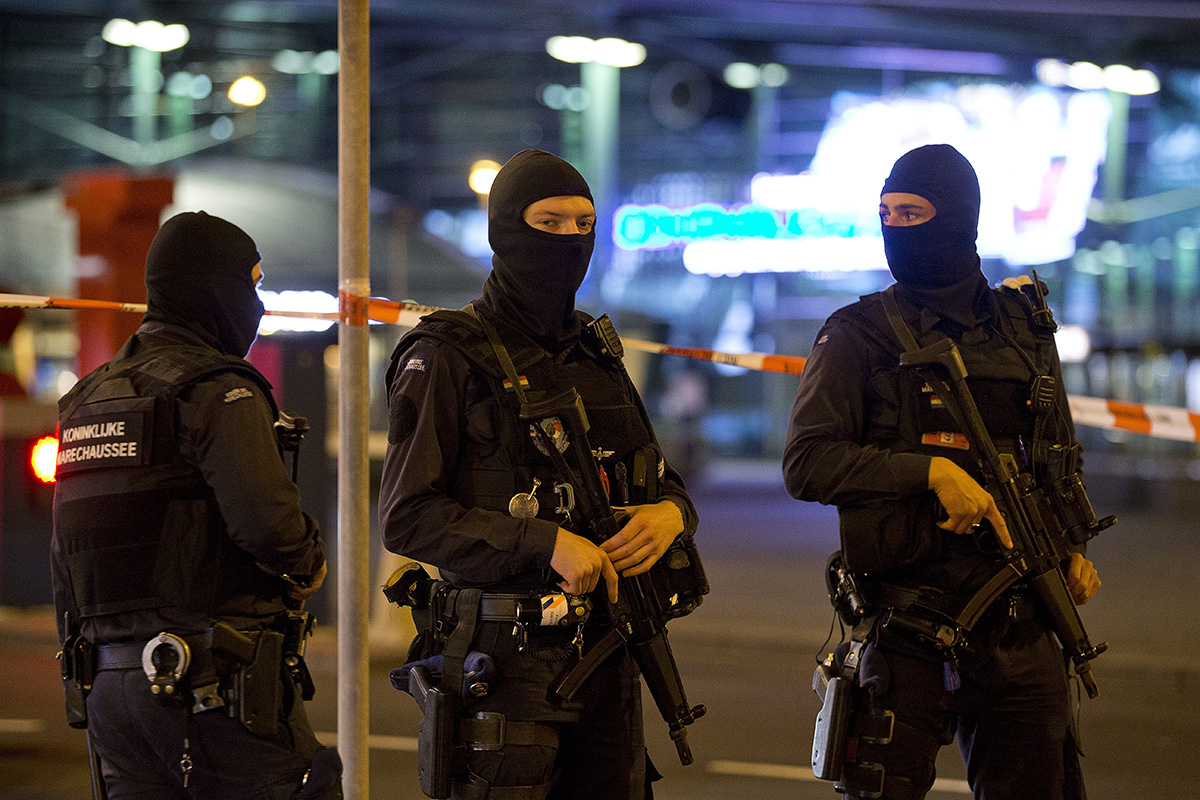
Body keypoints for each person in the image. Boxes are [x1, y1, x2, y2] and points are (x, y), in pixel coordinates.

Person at [782, 144, 1101, 800]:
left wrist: (1070, 546)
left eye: (913, 212)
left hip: (1023, 621)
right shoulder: (856, 334)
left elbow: (1058, 457)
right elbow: (806, 462)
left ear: (958, 217)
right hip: (910, 631)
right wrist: (926, 473)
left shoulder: (1026, 332)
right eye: (887, 213)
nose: (897, 227)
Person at [378, 149, 699, 799]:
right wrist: (546, 543)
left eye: (584, 226)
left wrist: (672, 516)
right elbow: (407, 515)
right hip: (503, 662)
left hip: (609, 654)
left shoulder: (595, 352)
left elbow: (656, 476)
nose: (569, 242)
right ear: (505, 231)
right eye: (549, 223)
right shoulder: (448, 352)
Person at [50, 211, 341, 799]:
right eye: (252, 284)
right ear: (216, 289)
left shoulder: (87, 398)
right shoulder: (217, 388)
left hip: (110, 691)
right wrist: (309, 563)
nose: (256, 304)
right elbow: (267, 521)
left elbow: (66, 554)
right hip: (211, 684)